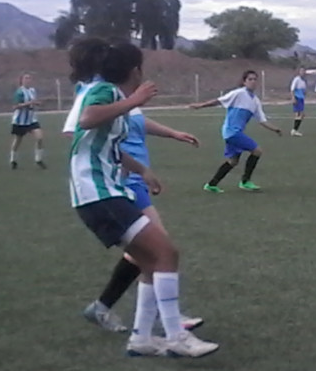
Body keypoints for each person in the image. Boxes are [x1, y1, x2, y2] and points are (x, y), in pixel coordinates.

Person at [67, 38, 219, 357]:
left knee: (149, 260)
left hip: (105, 191)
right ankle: (176, 335)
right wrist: (133, 100)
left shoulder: (115, 97)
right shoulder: (106, 91)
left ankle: (142, 338)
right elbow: (86, 118)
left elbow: (108, 145)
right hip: (97, 192)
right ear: (134, 70)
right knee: (166, 253)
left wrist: (142, 171)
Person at [189, 70, 282, 193]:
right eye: (250, 79)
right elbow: (218, 101)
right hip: (232, 132)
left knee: (232, 161)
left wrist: (275, 129)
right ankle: (245, 181)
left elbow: (262, 120)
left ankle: (211, 184)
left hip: (234, 133)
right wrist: (200, 105)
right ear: (244, 81)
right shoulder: (238, 94)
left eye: (255, 79)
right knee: (257, 151)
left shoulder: (255, 101)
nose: (253, 82)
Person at [10, 73, 46, 170]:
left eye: (29, 78)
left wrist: (37, 103)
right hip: (20, 121)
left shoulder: (32, 91)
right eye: (26, 78)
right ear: (22, 80)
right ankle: (13, 160)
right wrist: (29, 103)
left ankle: (38, 160)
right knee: (18, 140)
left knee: (39, 137)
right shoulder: (19, 92)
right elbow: (15, 106)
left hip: (31, 119)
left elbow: (34, 102)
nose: (28, 80)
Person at [290, 66, 307, 136]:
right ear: (299, 72)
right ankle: (294, 130)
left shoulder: (304, 81)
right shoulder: (296, 79)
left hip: (301, 98)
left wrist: (304, 93)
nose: (303, 72)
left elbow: (303, 90)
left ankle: (295, 130)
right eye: (301, 71)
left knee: (301, 115)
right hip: (297, 98)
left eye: (304, 71)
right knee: (299, 114)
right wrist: (293, 98)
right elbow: (292, 89)